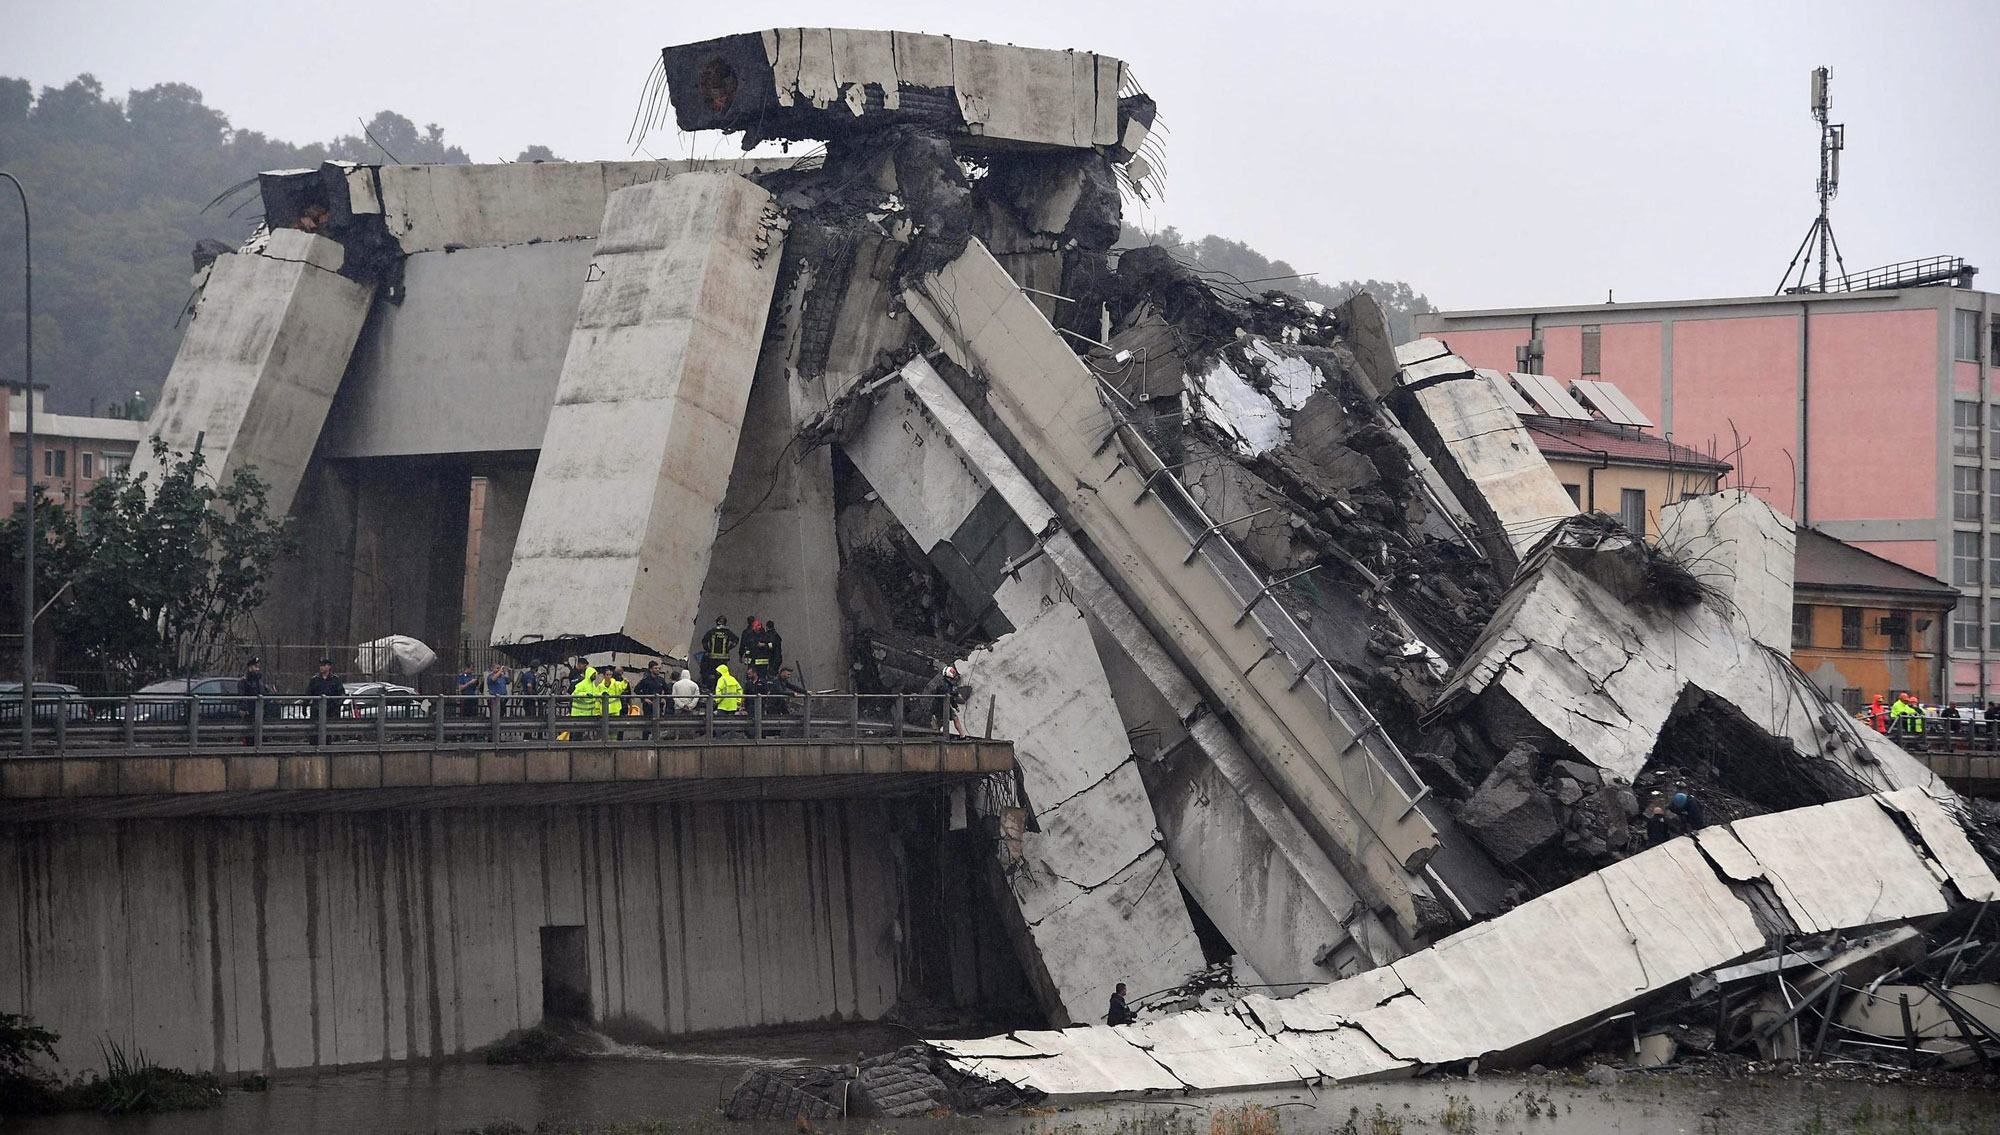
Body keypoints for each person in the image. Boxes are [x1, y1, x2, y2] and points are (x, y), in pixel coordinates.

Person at [701, 617, 738, 691]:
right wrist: (728, 648)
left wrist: (708, 650)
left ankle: (712, 689)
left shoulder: (712, 631)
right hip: (723, 658)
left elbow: (704, 641)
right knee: (722, 674)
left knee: (712, 674)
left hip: (713, 657)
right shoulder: (727, 632)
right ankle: (722, 689)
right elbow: (736, 640)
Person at [240, 657, 270, 722]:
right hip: (250, 713)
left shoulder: (259, 681)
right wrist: (244, 709)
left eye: (258, 667)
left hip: (259, 711)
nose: (257, 669)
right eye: (255, 667)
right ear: (250, 667)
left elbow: (263, 693)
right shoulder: (245, 681)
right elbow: (242, 696)